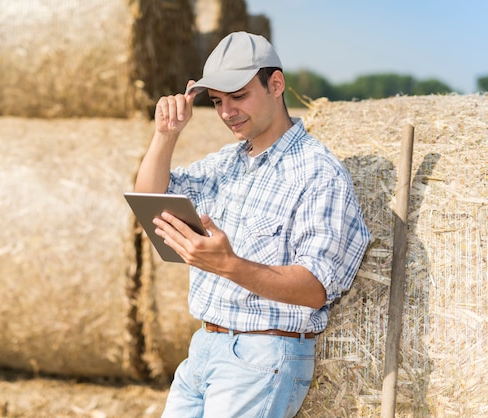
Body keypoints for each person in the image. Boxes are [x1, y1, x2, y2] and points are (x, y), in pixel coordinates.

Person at [134, 31, 370, 418]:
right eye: (218, 101)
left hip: (262, 358)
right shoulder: (226, 162)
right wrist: (165, 135)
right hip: (204, 348)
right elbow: (151, 198)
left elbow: (315, 288)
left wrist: (228, 264)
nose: (227, 112)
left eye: (239, 96)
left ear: (276, 84)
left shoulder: (317, 173)